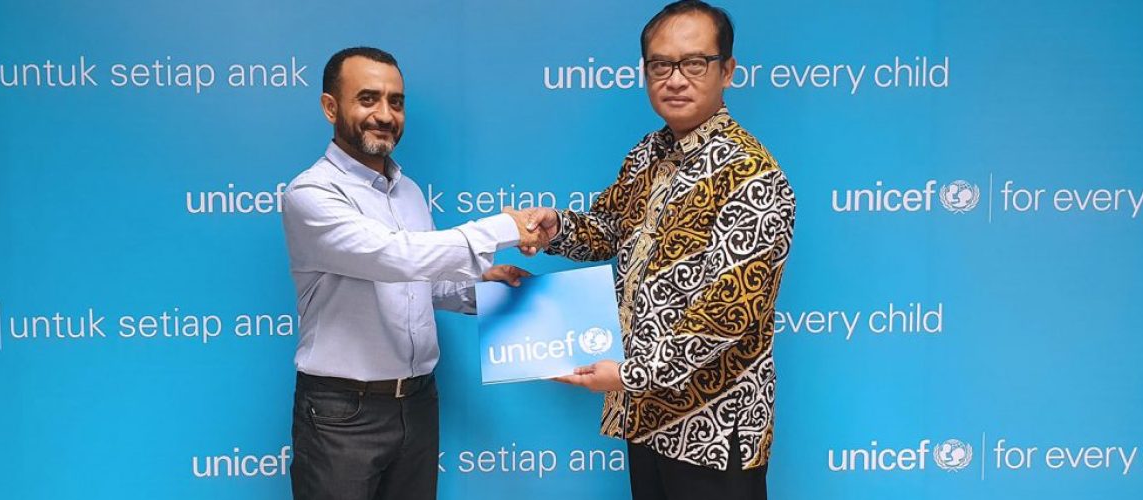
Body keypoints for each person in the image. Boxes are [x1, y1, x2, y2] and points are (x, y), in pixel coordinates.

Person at [526, 2, 796, 499]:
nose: (675, 79)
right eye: (660, 65)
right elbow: (607, 229)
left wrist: (629, 374)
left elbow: (727, 315)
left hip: (713, 427)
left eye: (694, 63)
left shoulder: (752, 175)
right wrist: (555, 228)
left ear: (727, 71)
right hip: (646, 416)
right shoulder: (647, 153)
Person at [281, 46, 548, 500]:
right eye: (367, 99)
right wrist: (507, 227)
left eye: (396, 102)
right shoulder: (310, 193)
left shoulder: (408, 192)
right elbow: (395, 257)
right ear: (330, 107)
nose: (385, 115)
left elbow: (420, 281)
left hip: (418, 403)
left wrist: (481, 286)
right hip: (342, 413)